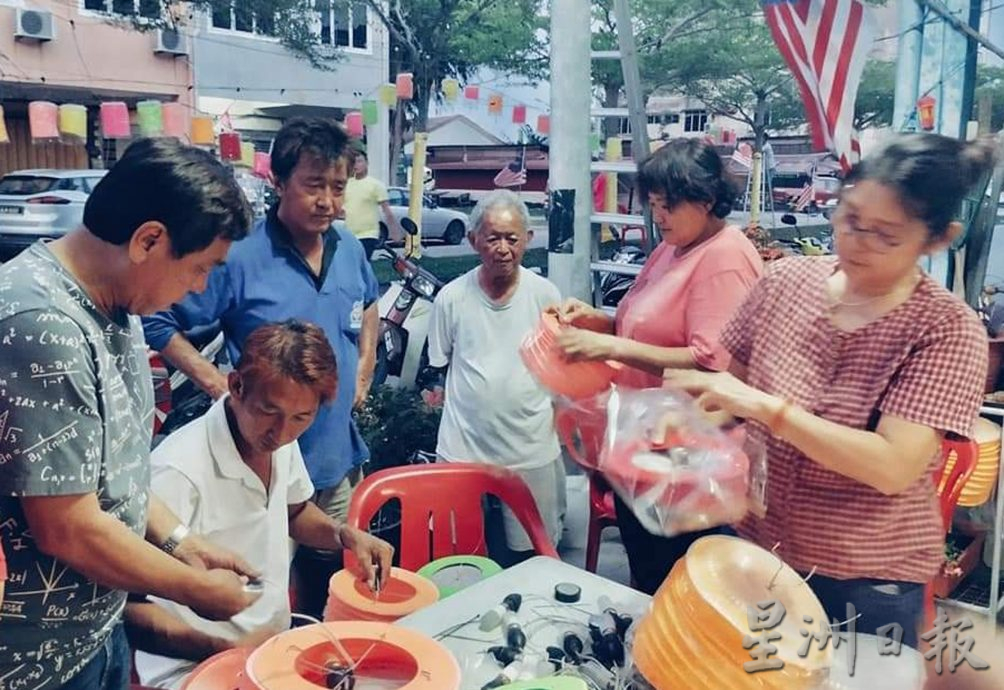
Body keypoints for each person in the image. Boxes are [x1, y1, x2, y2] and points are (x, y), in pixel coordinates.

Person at [666, 133, 994, 649]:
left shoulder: (946, 330)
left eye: (886, 235)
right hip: (760, 549)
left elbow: (891, 465)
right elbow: (733, 391)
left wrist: (769, 410)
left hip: (866, 581)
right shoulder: (785, 282)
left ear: (937, 239)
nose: (856, 241)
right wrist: (680, 437)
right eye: (849, 218)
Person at [0, 138, 257, 690]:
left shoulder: (119, 300)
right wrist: (189, 589)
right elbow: (68, 526)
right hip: (35, 664)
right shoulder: (40, 323)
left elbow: (116, 469)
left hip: (98, 629)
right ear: (149, 240)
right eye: (200, 268)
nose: (199, 288)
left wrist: (181, 542)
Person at [142, 118, 380, 617]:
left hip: (331, 460)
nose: (328, 202)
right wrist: (214, 383)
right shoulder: (240, 255)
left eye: (338, 188)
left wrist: (364, 367)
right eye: (313, 186)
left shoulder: (350, 248)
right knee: (252, 594)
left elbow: (369, 304)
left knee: (328, 590)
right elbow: (158, 319)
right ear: (278, 182)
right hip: (252, 463)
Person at [550, 138, 763, 594]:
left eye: (668, 206)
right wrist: (599, 321)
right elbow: (646, 325)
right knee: (646, 575)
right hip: (649, 446)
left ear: (705, 200)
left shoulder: (725, 257)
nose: (658, 216)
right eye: (653, 205)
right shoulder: (673, 246)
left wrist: (608, 346)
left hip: (691, 462)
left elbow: (712, 365)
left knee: (680, 589)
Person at [131, 320, 393, 689]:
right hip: (190, 669)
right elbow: (130, 608)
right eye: (270, 411)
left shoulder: (278, 441)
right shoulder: (178, 471)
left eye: (302, 417)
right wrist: (227, 648)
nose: (283, 433)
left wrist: (344, 535)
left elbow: (294, 511)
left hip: (270, 652)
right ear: (236, 386)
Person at [425, 189, 565, 565]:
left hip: (529, 449)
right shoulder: (451, 298)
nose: (503, 248)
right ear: (474, 241)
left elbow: (559, 370)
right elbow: (438, 367)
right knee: (460, 557)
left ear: (528, 240)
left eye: (512, 238)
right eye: (493, 237)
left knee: (530, 556)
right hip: (462, 451)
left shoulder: (545, 295)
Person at [343, 149, 403, 258]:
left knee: (362, 264)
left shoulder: (375, 185)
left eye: (359, 161)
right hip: (349, 234)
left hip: (368, 234)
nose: (356, 165)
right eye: (353, 162)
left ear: (367, 163)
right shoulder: (347, 184)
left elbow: (387, 210)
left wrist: (394, 232)